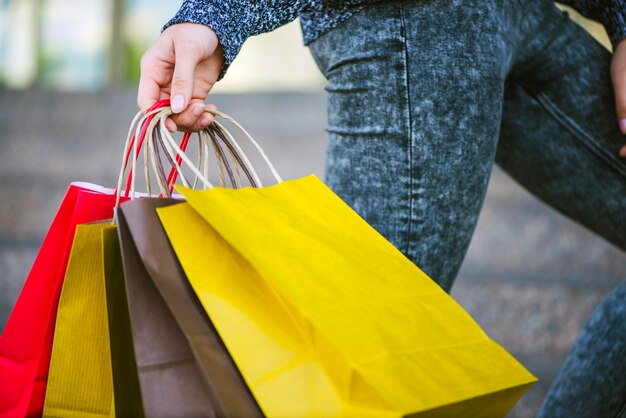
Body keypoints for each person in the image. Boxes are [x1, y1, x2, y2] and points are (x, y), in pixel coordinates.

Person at [137, 0, 626, 416]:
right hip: (408, 26)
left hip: (524, 12)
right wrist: (219, 15)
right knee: (363, 366)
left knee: (366, 360)